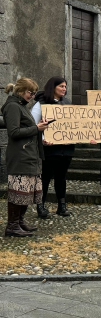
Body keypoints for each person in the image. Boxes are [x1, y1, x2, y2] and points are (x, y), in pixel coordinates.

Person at [1, 78, 49, 236]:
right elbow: (13, 132)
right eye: (30, 92)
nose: (33, 96)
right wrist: (36, 128)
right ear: (21, 91)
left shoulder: (21, 106)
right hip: (20, 155)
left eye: (35, 93)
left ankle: (19, 222)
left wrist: (38, 129)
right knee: (19, 191)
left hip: (29, 155)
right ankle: (12, 226)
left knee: (27, 192)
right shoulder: (13, 106)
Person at [31, 77, 74, 218]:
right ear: (53, 87)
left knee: (61, 177)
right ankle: (41, 206)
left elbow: (75, 125)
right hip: (49, 149)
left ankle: (62, 205)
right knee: (45, 177)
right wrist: (43, 139)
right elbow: (33, 126)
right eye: (61, 86)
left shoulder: (67, 104)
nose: (64, 89)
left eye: (65, 87)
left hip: (66, 148)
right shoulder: (41, 104)